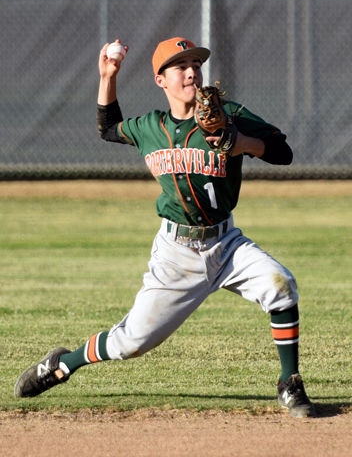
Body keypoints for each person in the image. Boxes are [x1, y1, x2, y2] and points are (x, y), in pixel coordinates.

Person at [14, 37, 315, 418]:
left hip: (226, 244)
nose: (192, 72)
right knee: (131, 343)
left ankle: (290, 384)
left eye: (196, 64)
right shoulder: (150, 128)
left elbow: (282, 153)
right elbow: (108, 128)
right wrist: (107, 76)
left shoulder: (229, 114)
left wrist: (244, 143)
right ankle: (62, 364)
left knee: (281, 285)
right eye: (180, 66)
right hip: (176, 254)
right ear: (161, 80)